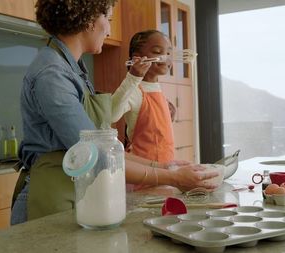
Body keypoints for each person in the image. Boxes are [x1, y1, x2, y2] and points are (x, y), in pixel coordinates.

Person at [11, 1, 218, 225]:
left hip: (71, 189)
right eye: (108, 20)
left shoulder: (73, 69)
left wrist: (165, 166)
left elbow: (104, 143)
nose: (109, 29)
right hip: (50, 195)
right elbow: (97, 153)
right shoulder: (53, 74)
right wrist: (174, 178)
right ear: (90, 20)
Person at [111, 30, 178, 165]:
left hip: (164, 171)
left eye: (169, 53)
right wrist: (133, 77)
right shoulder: (135, 91)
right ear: (137, 58)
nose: (165, 57)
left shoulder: (157, 89)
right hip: (143, 174)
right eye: (158, 52)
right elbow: (111, 114)